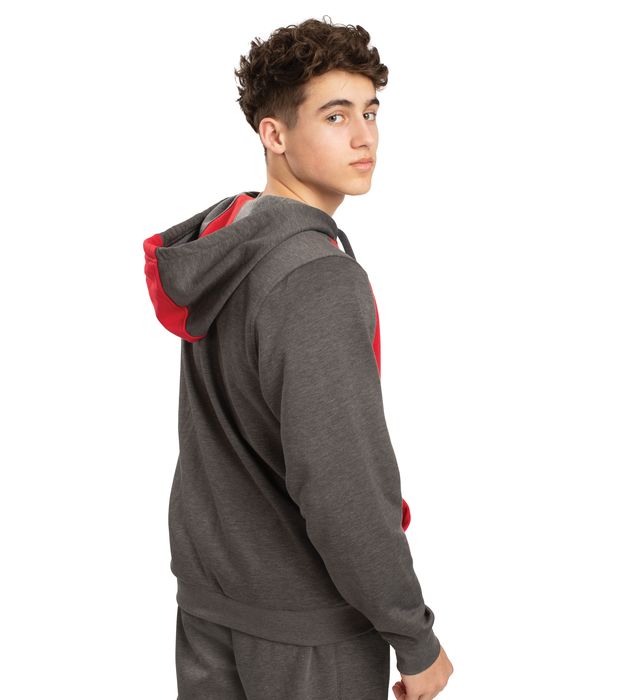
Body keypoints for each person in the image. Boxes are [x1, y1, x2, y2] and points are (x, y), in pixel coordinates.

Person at [143, 15, 453, 700]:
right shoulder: (316, 277)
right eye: (335, 116)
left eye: (370, 111)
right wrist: (413, 636)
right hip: (308, 632)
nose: (364, 136)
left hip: (211, 604)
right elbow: (342, 480)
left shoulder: (226, 237)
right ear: (274, 134)